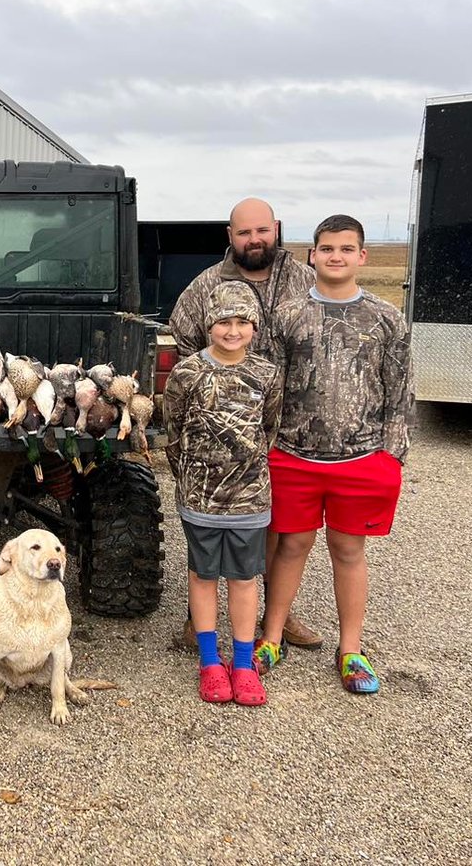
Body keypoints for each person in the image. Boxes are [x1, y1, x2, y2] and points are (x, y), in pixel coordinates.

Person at [253, 215, 414, 694]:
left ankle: (351, 649)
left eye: (346, 248)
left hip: (362, 459)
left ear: (362, 256)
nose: (336, 256)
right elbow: (268, 386)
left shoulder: (387, 318)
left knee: (348, 550)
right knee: (291, 545)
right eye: (326, 248)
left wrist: (392, 456)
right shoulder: (286, 315)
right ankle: (272, 636)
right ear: (312, 255)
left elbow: (400, 393)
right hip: (294, 456)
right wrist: (265, 447)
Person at [169, 196, 322, 652]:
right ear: (230, 237)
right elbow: (183, 342)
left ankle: (276, 615)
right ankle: (199, 622)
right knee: (213, 528)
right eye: (243, 232)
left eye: (261, 230)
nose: (254, 240)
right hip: (222, 434)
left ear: (275, 228)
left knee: (276, 528)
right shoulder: (206, 285)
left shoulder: (305, 281)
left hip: (290, 425)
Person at [163, 282, 282, 706]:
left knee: (245, 578)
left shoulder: (267, 374)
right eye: (223, 322)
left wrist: (245, 471)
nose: (232, 331)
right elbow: (173, 431)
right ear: (209, 325)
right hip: (200, 499)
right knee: (202, 575)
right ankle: (211, 662)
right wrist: (191, 479)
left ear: (254, 326)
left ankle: (245, 665)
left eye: (242, 322)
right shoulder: (187, 373)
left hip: (250, 499)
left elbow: (268, 429)